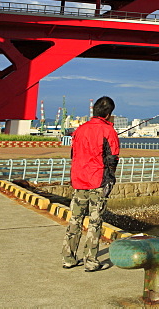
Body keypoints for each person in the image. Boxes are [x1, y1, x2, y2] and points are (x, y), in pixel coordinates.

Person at [61, 96, 120, 272]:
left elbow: (74, 154)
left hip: (79, 180)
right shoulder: (109, 131)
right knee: (95, 221)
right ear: (109, 114)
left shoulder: (79, 130)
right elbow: (113, 159)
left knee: (75, 220)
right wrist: (110, 180)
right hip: (98, 181)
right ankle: (91, 261)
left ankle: (68, 258)